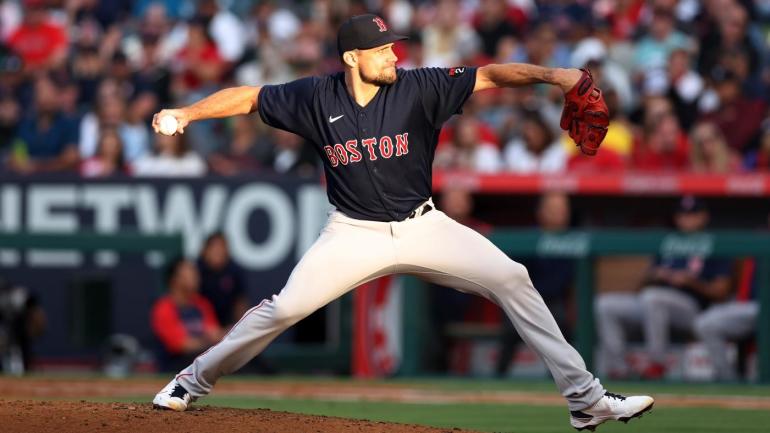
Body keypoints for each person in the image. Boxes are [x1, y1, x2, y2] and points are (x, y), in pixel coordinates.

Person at [151, 14, 653, 431]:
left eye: (394, 46)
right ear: (353, 58)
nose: (394, 55)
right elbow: (250, 96)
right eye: (383, 49)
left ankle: (586, 401)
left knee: (513, 278)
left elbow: (493, 75)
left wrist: (557, 76)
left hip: (424, 225)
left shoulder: (421, 87)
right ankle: (189, 382)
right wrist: (187, 113)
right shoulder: (316, 96)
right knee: (283, 310)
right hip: (353, 232)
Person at [595, 196, 733, 380]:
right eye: (683, 214)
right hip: (653, 302)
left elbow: (721, 292)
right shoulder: (668, 241)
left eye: (693, 214)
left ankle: (657, 364)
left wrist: (691, 281)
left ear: (703, 217)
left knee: (653, 298)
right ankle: (618, 369)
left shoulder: (714, 244)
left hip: (692, 308)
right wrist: (655, 274)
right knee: (605, 305)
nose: (687, 219)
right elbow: (642, 284)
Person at [496, 192, 576, 376]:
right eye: (553, 210)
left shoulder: (573, 239)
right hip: (525, 299)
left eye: (562, 210)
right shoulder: (528, 238)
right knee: (511, 324)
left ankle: (560, 380)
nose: (559, 214)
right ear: (541, 212)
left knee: (560, 322)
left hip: (554, 301)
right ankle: (498, 376)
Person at [151, 258, 223, 372]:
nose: (196, 278)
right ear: (175, 279)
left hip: (203, 361)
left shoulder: (202, 304)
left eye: (195, 273)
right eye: (190, 273)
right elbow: (182, 345)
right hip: (176, 367)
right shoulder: (164, 308)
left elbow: (216, 334)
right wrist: (208, 341)